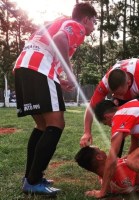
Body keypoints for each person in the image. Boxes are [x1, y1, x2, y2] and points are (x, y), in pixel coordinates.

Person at [13, 2, 97, 196]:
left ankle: (30, 177)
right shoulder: (76, 26)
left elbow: (48, 46)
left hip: (24, 67)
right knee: (56, 124)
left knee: (42, 126)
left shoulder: (56, 21)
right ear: (85, 19)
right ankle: (33, 180)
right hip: (39, 69)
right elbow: (60, 40)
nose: (93, 27)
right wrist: (69, 72)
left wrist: (59, 77)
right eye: (93, 22)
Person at [80, 58, 139, 149]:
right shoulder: (105, 84)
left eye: (120, 93)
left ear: (128, 83)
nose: (120, 97)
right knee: (118, 123)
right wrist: (87, 132)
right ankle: (117, 156)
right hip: (133, 86)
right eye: (115, 94)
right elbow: (91, 107)